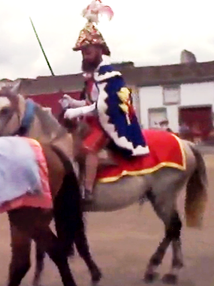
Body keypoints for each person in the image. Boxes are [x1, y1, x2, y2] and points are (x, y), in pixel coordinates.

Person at [62, 0, 149, 202]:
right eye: (83, 51)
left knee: (89, 148)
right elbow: (89, 103)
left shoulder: (109, 75)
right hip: (93, 120)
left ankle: (88, 190)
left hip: (109, 122)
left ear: (99, 50)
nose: (85, 54)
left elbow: (104, 106)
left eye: (88, 50)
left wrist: (76, 112)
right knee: (69, 146)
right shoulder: (92, 76)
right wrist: (72, 103)